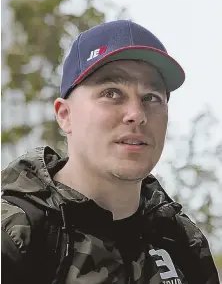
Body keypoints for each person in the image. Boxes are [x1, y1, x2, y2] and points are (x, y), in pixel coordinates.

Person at [1, 20, 220, 284]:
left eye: (151, 97)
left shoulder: (182, 240)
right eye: (112, 93)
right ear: (65, 115)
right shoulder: (15, 235)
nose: (137, 115)